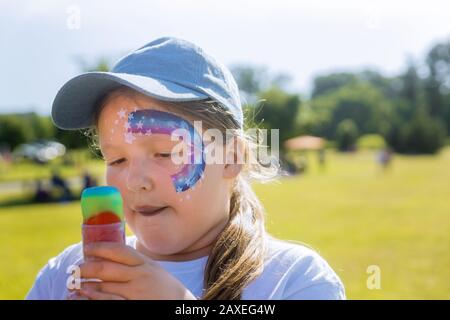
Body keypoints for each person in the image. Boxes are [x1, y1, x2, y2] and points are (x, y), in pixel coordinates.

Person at [26, 37, 344, 300]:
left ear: (232, 157)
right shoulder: (66, 274)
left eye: (166, 152)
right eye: (117, 160)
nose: (135, 181)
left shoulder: (294, 279)